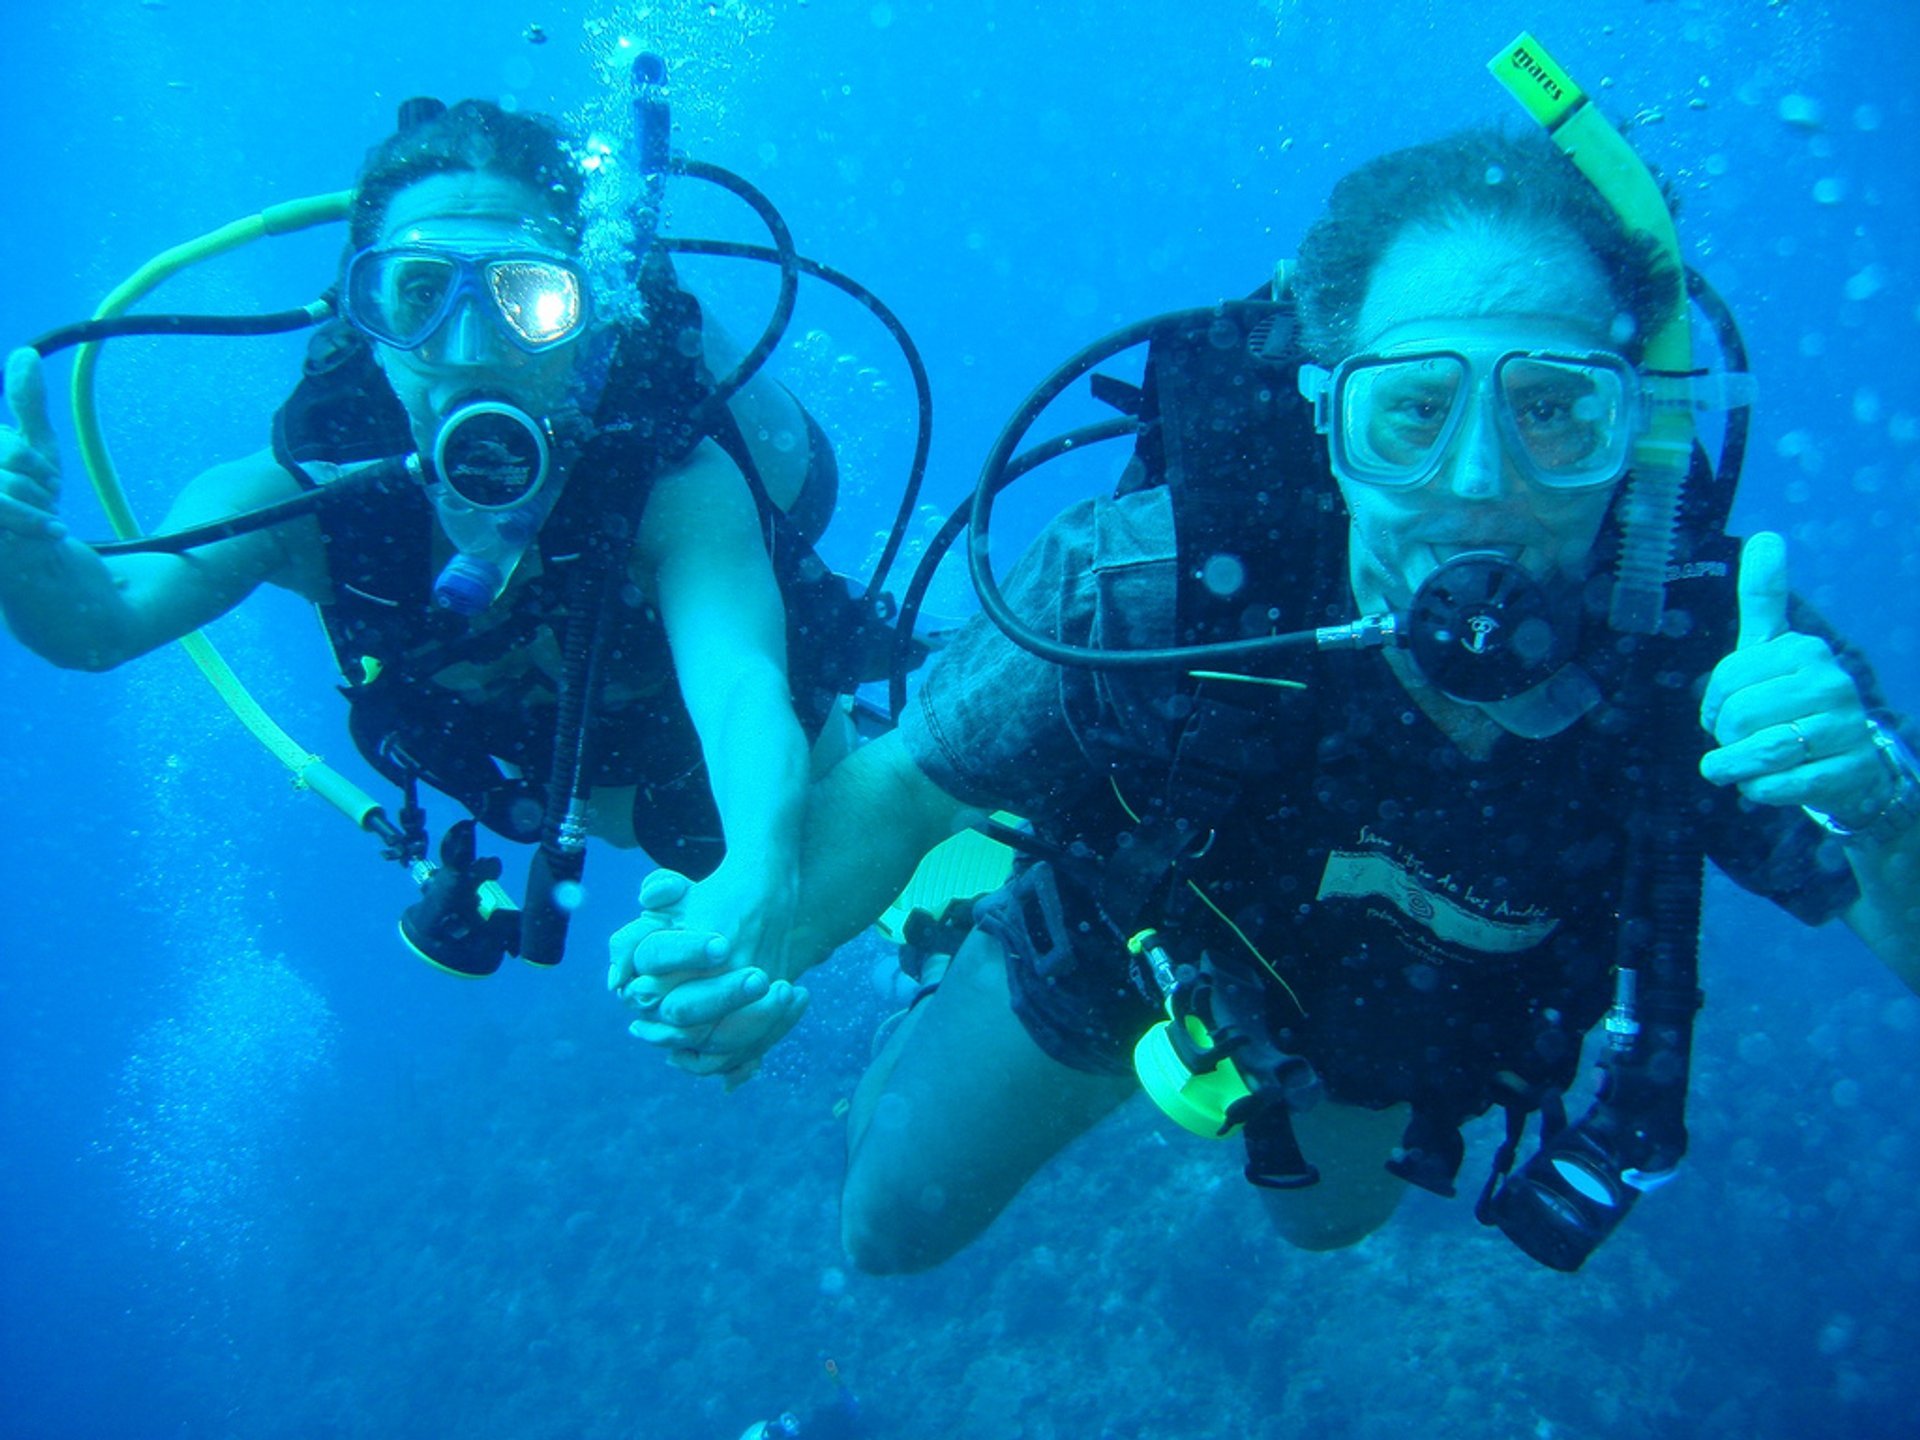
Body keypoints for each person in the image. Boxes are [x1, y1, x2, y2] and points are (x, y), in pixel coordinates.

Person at [612, 119, 1919, 1273]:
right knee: (887, 1232)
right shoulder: (1149, 584)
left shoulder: (1721, 660)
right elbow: (901, 787)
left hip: (1386, 1031)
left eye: (1557, 413)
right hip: (1132, 927)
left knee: (1327, 1227)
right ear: (1325, 416)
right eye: (1412, 411)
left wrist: (1883, 811)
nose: (1478, 482)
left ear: (1637, 432)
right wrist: (751, 932)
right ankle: (957, 946)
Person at [0, 97, 854, 1009]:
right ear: (362, 318)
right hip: (550, 772)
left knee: (757, 812)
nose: (466, 346)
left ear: (588, 314)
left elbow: (738, 686)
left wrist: (760, 873)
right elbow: (101, 623)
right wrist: (22, 556)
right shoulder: (296, 497)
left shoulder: (672, 485)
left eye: (527, 297)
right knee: (634, 824)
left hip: (704, 763)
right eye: (418, 292)